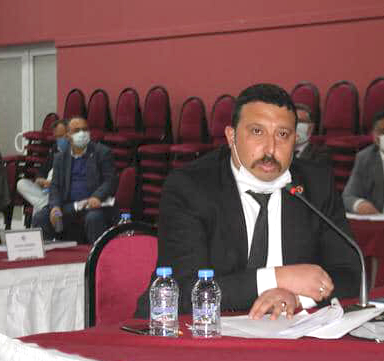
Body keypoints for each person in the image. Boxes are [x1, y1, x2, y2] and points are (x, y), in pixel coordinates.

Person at [135, 83, 360, 320]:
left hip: (287, 327)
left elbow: (351, 274)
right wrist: (277, 278)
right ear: (231, 136)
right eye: (257, 132)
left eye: (283, 135)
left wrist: (295, 298)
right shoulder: (191, 187)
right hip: (205, 329)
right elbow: (181, 291)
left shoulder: (316, 185)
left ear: (296, 139)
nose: (270, 149)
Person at [32, 117, 118, 243]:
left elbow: (110, 181)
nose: (82, 133)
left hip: (93, 206)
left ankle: (96, 254)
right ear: (68, 135)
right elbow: (55, 186)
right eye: (77, 130)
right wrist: (55, 206)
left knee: (94, 218)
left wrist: (97, 196)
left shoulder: (102, 152)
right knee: (41, 217)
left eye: (85, 129)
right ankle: (48, 254)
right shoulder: (60, 158)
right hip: (68, 207)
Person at [16, 120, 69, 221]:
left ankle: (46, 208)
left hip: (59, 190)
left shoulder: (74, 152)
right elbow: (44, 169)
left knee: (37, 207)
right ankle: (46, 205)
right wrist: (39, 179)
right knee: (21, 183)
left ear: (69, 134)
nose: (59, 140)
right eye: (56, 137)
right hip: (46, 190)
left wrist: (53, 184)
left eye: (61, 136)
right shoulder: (55, 149)